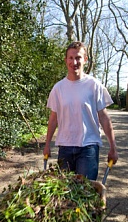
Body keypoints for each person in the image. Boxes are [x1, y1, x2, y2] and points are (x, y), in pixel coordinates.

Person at [43, 41, 118, 180]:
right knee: (64, 195)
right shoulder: (58, 88)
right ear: (66, 60)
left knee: (85, 192)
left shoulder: (94, 85)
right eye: (70, 58)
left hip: (88, 147)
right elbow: (53, 119)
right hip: (64, 147)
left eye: (78, 57)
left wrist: (113, 146)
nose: (74, 62)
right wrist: (47, 145)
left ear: (85, 59)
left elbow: (104, 117)